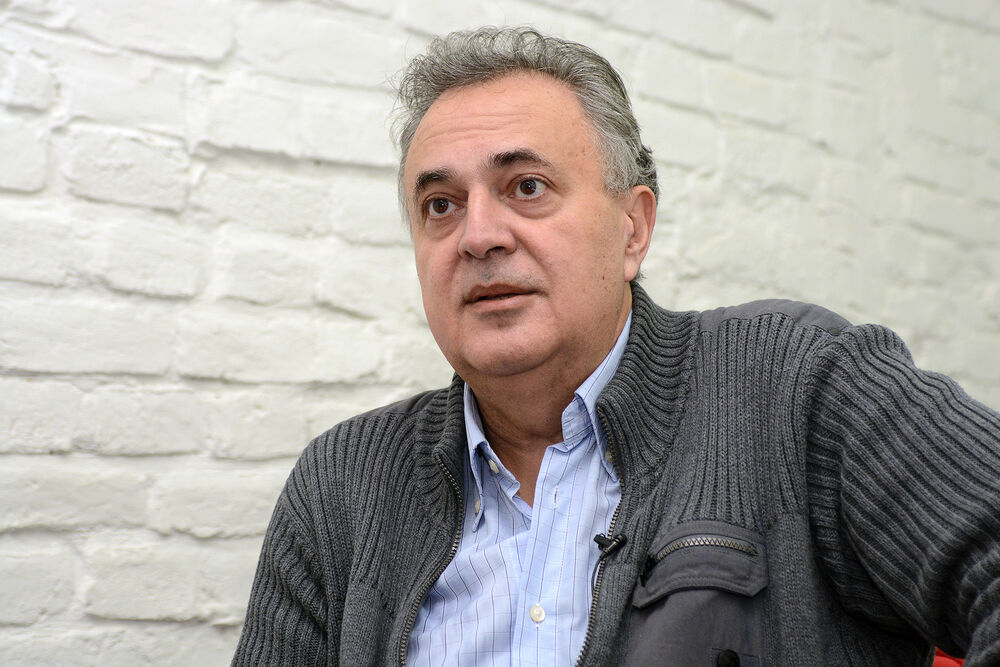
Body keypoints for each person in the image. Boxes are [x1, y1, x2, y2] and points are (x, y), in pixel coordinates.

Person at [232, 27, 1000, 665]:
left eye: (526, 187)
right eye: (441, 204)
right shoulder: (341, 487)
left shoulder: (803, 386)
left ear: (633, 228)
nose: (478, 235)